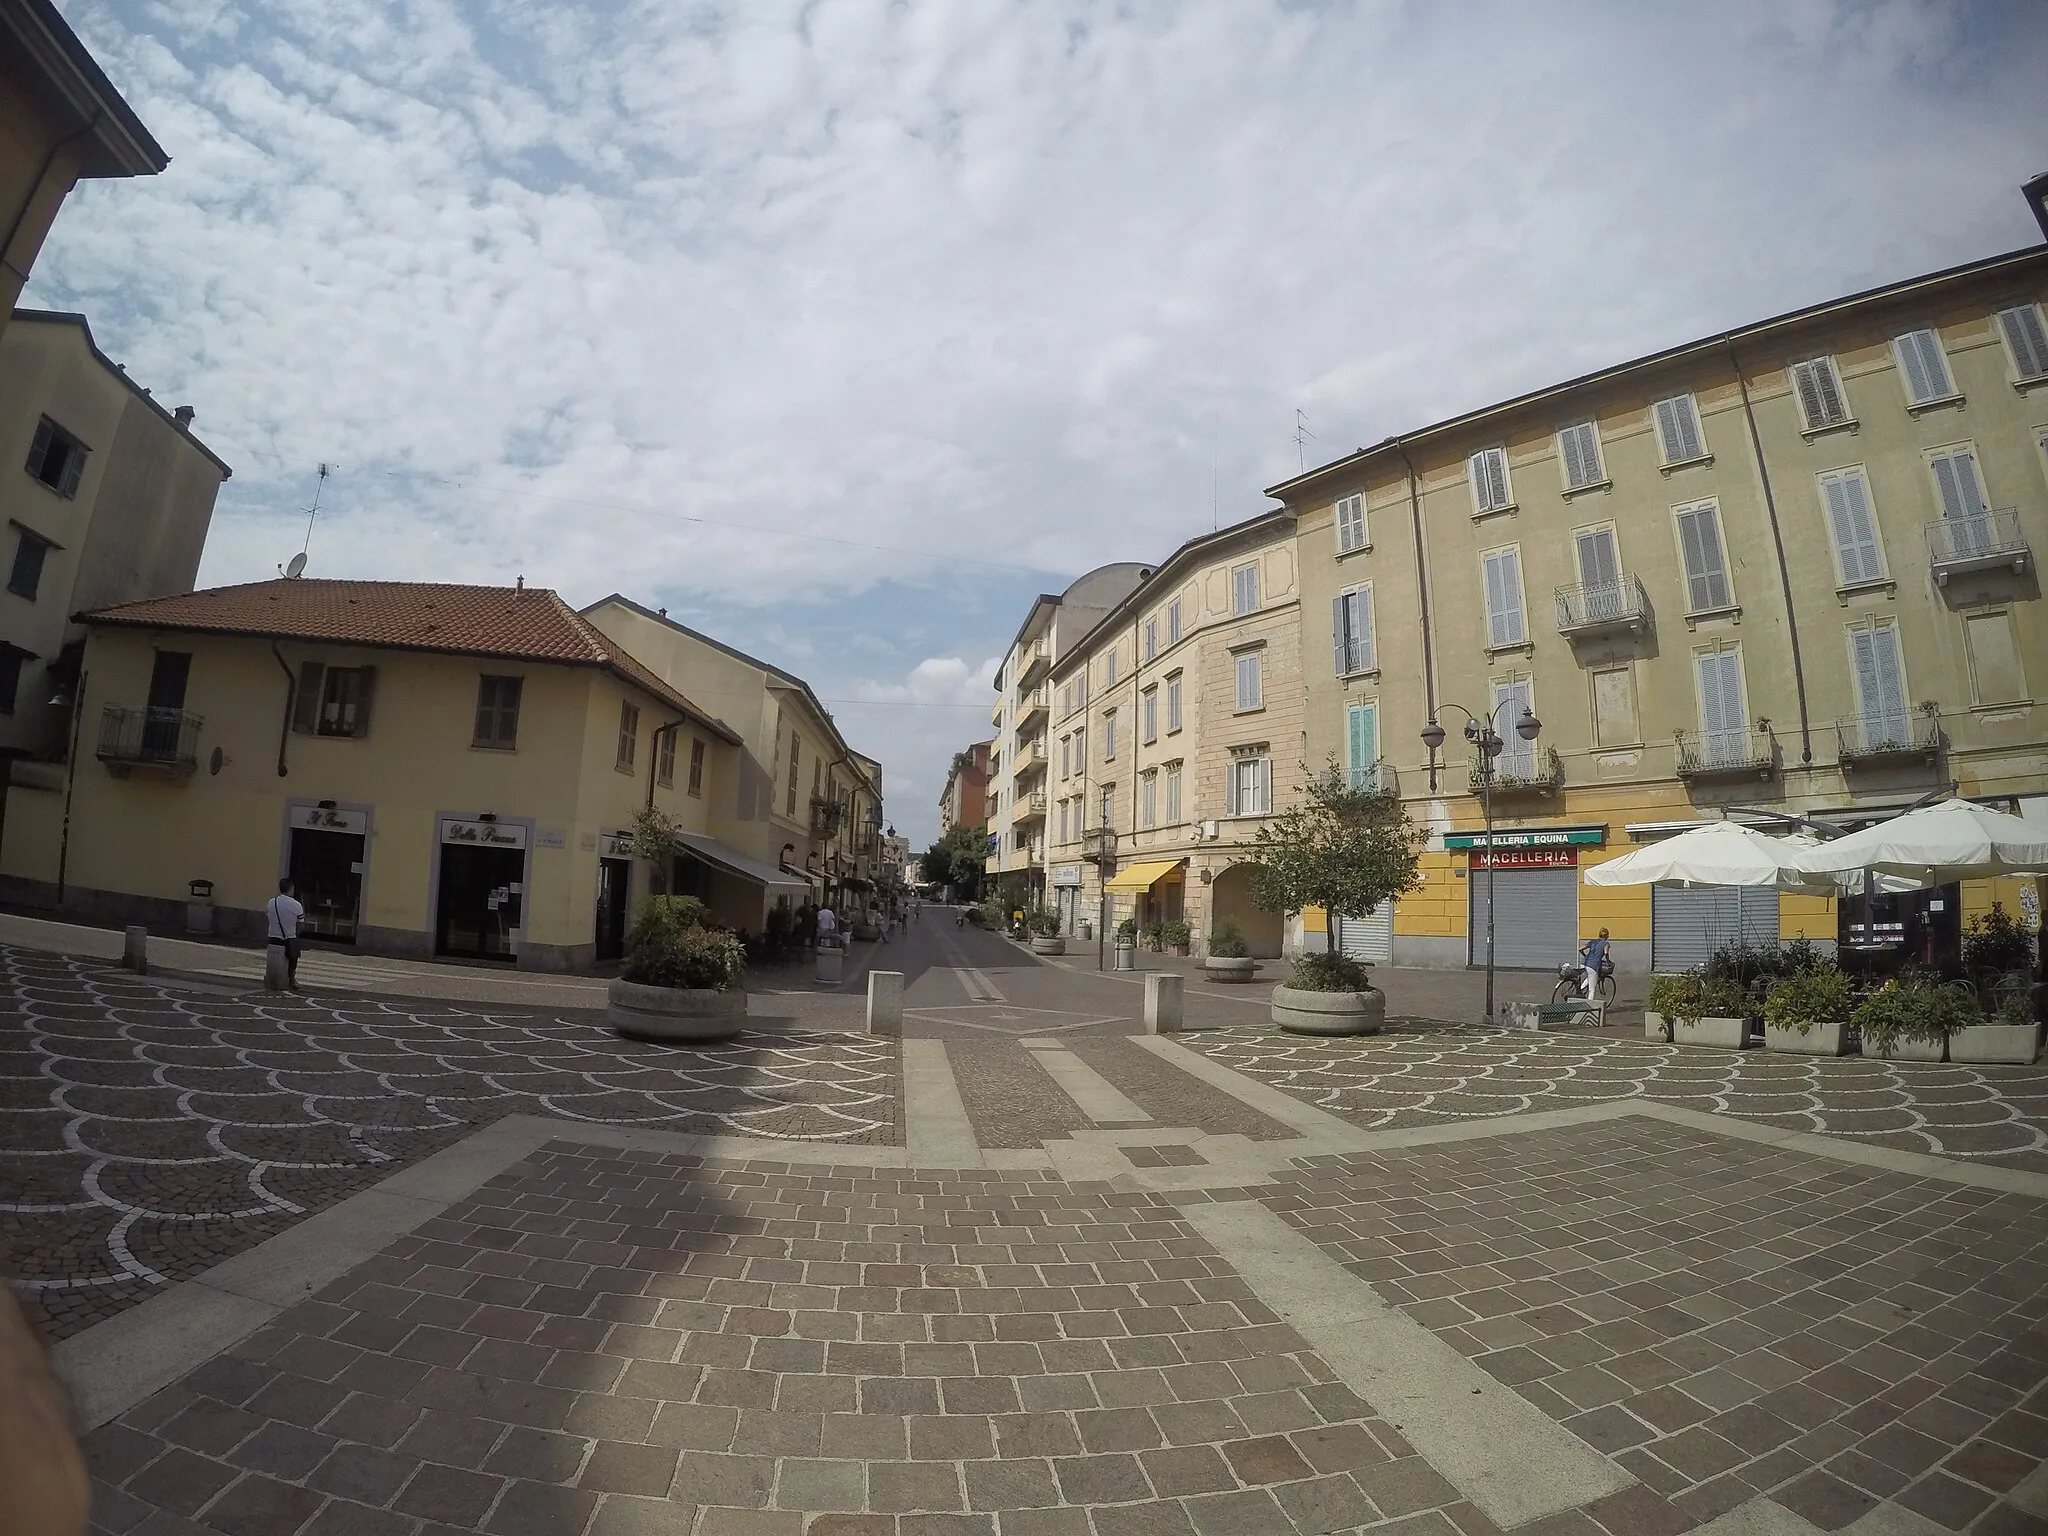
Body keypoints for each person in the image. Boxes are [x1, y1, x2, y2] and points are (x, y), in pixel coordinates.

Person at [266, 878, 305, 988]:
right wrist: (296, 933)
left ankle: (272, 978)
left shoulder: (271, 902)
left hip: (273, 937)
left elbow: (268, 917)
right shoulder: (297, 905)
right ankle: (292, 979)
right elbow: (301, 924)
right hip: (289, 937)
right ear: (291, 889)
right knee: (293, 957)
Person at [1579, 928, 1611, 999]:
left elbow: (1580, 949)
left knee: (1589, 977)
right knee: (1592, 990)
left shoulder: (1593, 941)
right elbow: (1606, 953)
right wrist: (1608, 962)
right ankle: (1589, 1008)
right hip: (1593, 966)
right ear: (1607, 936)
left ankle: (1580, 990)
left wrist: (1585, 956)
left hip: (1584, 963)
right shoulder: (1606, 944)